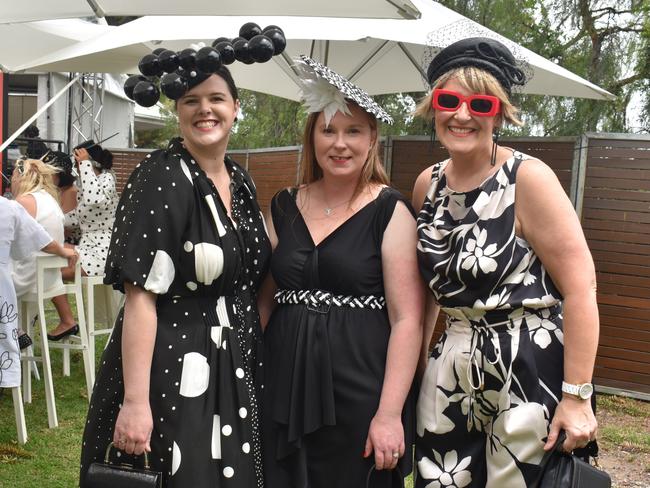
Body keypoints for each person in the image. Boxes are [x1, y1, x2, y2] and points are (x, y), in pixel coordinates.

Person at [412, 38, 599, 487]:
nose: (462, 114)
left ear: (499, 112)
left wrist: (576, 396)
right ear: (433, 105)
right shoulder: (427, 185)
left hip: (527, 366)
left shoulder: (528, 180)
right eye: (449, 100)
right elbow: (427, 297)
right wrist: (419, 370)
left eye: (480, 102)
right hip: (449, 370)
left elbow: (581, 288)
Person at [79, 64, 271, 487]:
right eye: (191, 101)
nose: (205, 109)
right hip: (174, 369)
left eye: (216, 99)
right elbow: (141, 297)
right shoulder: (161, 176)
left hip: (236, 360)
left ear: (236, 108)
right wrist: (134, 403)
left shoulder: (239, 180)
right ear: (178, 112)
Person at [260, 56, 423, 488]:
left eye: (353, 130)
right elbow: (264, 299)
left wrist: (389, 414)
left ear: (372, 138)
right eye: (328, 129)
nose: (340, 143)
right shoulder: (282, 205)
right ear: (311, 136)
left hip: (358, 386)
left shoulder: (391, 210)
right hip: (282, 378)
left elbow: (408, 320)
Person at [0, 195, 77, 390]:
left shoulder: (23, 202)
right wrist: (62, 251)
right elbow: (40, 241)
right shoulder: (9, 207)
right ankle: (16, 330)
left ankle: (18, 329)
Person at [10, 158, 80, 342]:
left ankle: (13, 331)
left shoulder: (24, 201)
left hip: (25, 278)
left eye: (12, 175)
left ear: (19, 176)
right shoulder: (50, 200)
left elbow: (36, 240)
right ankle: (15, 329)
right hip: (46, 280)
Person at [42, 150, 81, 245]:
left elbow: (66, 227)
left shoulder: (72, 192)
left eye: (48, 173)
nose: (44, 177)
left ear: (61, 174)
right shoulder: (53, 191)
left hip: (68, 246)